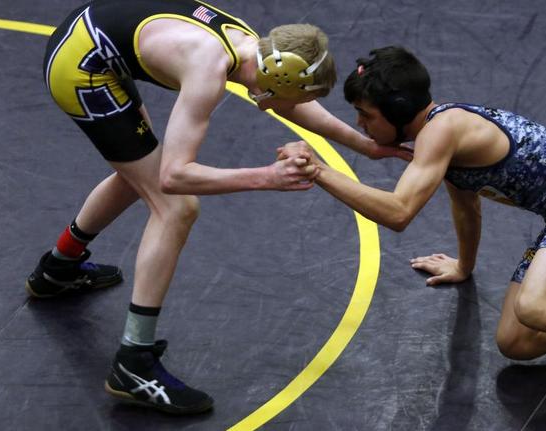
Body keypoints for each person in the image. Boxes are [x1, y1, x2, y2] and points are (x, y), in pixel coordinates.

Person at [279, 46, 546, 422]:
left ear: (397, 112)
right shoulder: (441, 137)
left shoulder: (442, 130)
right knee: (517, 341)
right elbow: (466, 206)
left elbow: (398, 213)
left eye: (365, 115)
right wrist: (463, 266)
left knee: (535, 306)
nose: (361, 126)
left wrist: (319, 172)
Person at [29, 0, 408, 415]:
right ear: (272, 79)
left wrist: (368, 148)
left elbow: (291, 99)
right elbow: (176, 176)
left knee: (137, 170)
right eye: (281, 97)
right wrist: (266, 177)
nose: (278, 108)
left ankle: (58, 268)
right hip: (82, 68)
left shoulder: (257, 49)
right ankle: (133, 364)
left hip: (94, 40)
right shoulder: (208, 68)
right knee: (175, 207)